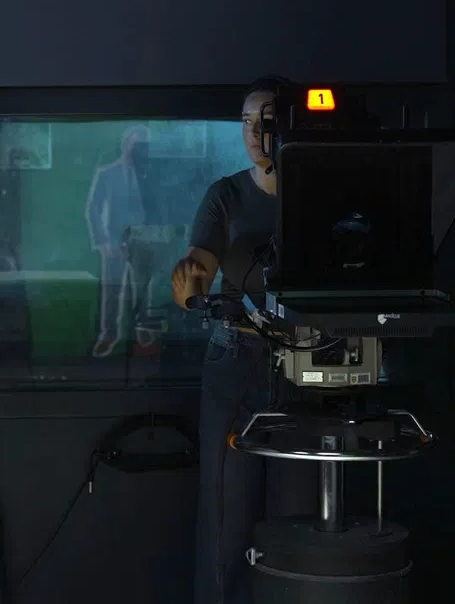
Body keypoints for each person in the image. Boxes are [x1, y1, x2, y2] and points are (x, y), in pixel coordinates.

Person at [170, 78, 314, 604]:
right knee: (226, 524)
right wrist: (192, 279)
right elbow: (200, 261)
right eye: (247, 122)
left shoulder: (317, 194)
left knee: (298, 526)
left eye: (267, 121)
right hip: (238, 362)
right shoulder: (226, 195)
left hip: (306, 369)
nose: (255, 133)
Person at [84, 125, 150, 357]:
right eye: (135, 144)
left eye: (143, 145)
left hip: (144, 241)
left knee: (143, 288)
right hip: (113, 242)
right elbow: (93, 208)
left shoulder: (151, 175)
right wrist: (101, 241)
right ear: (125, 145)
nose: (138, 149)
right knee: (111, 290)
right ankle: (109, 334)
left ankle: (143, 330)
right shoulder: (107, 173)